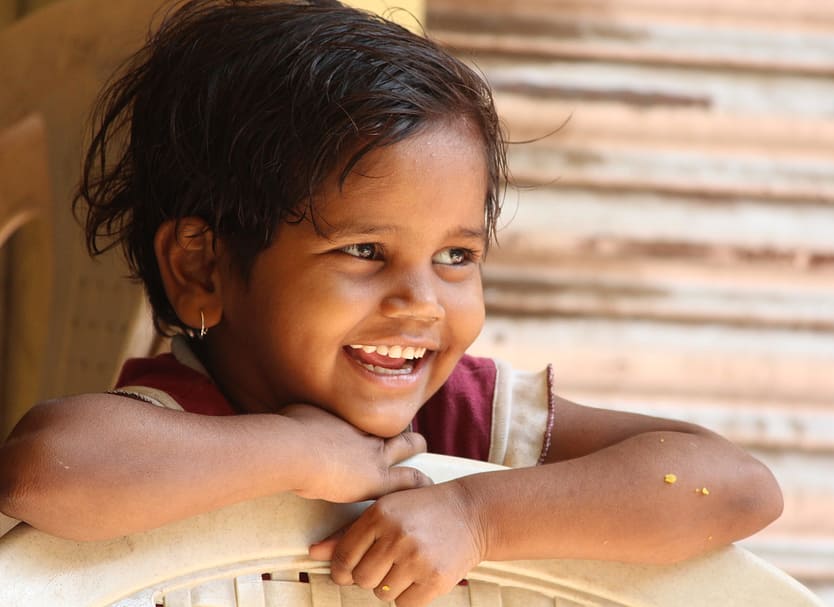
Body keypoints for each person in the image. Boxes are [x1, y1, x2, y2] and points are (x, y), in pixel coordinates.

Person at [0, 1, 783, 605]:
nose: (420, 303)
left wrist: (477, 516)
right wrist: (301, 452)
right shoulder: (177, 421)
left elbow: (734, 485)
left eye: (456, 256)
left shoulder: (458, 419)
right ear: (202, 267)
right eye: (364, 251)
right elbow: (45, 472)